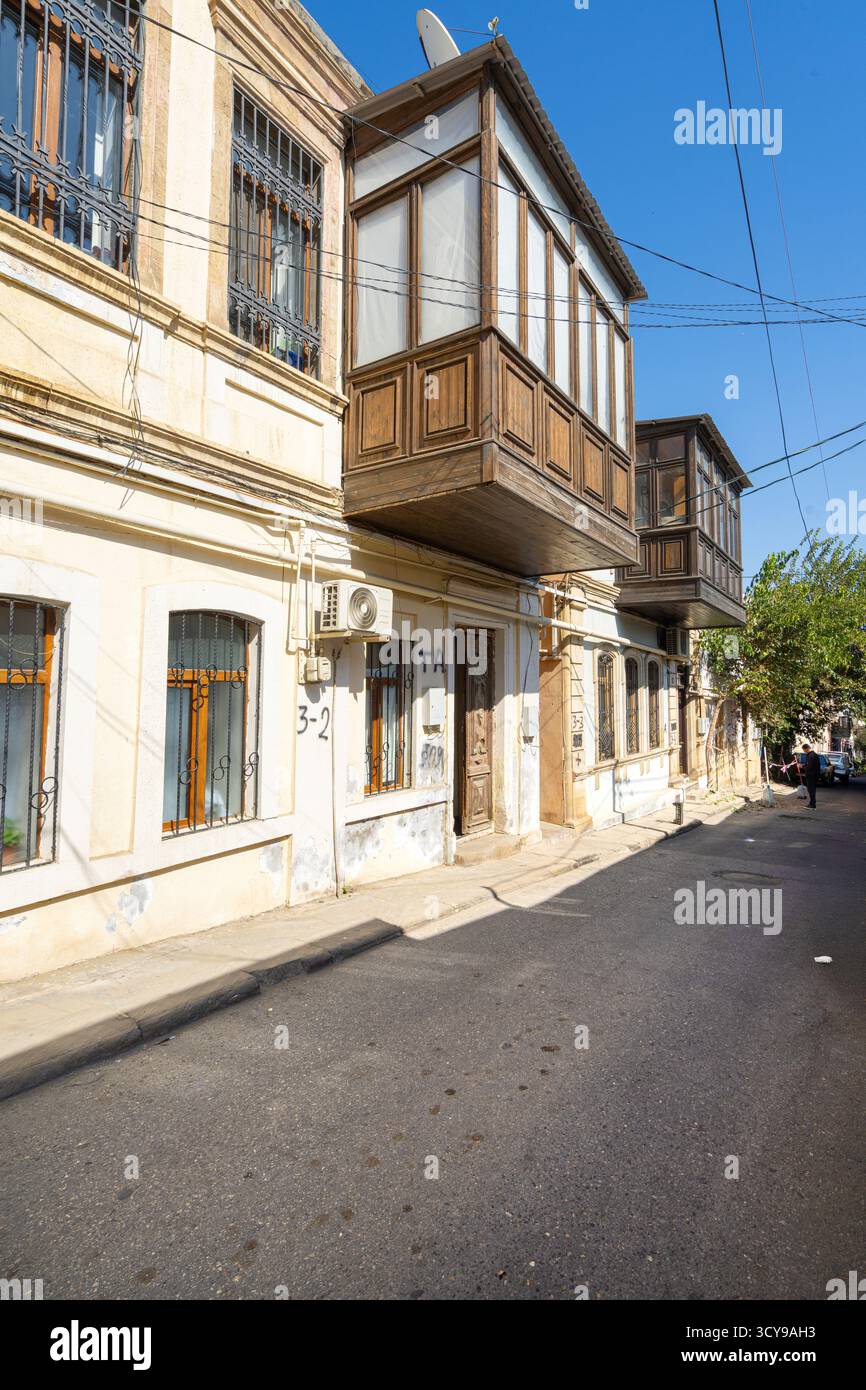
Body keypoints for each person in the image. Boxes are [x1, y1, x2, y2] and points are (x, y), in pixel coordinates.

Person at [801, 742, 821, 809]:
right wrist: (804, 766)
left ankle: (812, 805)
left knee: (811, 789)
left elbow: (809, 766)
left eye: (804, 750)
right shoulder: (814, 755)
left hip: (811, 775)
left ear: (806, 749)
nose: (804, 751)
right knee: (812, 789)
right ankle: (812, 803)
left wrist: (802, 767)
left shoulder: (810, 756)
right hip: (814, 775)